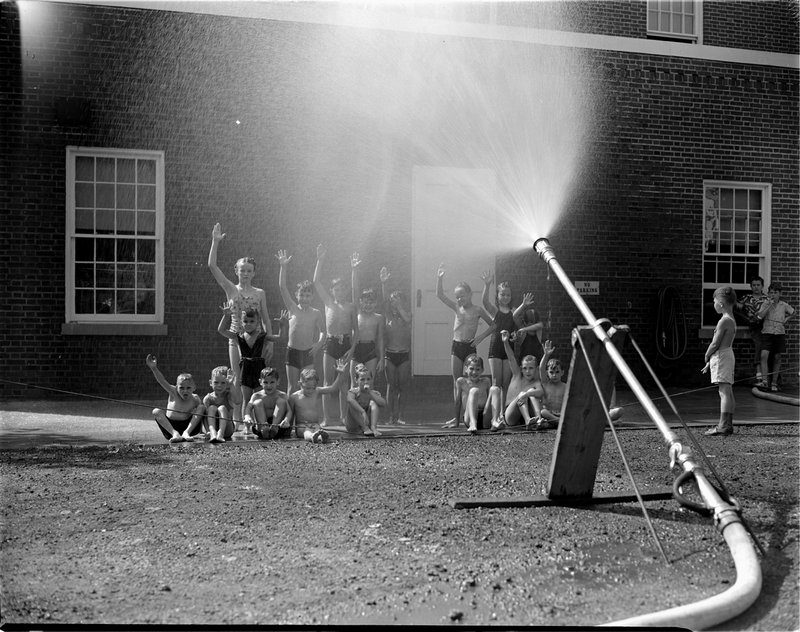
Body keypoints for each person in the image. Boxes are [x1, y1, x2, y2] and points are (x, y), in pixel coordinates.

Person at [208, 223, 273, 427]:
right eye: (242, 270)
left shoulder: (260, 293)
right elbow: (212, 266)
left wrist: (270, 342)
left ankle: (255, 418)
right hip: (236, 339)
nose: (245, 273)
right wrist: (215, 242)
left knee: (258, 379)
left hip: (258, 341)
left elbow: (266, 318)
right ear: (236, 271)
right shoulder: (230, 289)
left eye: (249, 270)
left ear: (254, 273)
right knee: (236, 378)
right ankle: (237, 420)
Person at [436, 263, 493, 428]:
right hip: (457, 346)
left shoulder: (478, 310)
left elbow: (494, 325)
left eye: (462, 295)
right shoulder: (456, 307)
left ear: (470, 294)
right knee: (457, 382)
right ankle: (456, 418)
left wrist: (480, 337)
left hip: (470, 347)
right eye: (457, 296)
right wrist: (440, 278)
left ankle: (470, 414)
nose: (460, 299)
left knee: (470, 381)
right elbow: (440, 295)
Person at [217, 305, 286, 434]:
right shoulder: (238, 336)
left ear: (257, 322)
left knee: (260, 397)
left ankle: (262, 422)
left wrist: (283, 325)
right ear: (241, 323)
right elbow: (221, 330)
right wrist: (226, 316)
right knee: (247, 399)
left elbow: (280, 338)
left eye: (252, 321)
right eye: (245, 321)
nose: (248, 324)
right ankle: (247, 426)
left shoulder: (262, 336)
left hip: (259, 368)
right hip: (246, 368)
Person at [313, 245, 359, 424]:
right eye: (336, 289)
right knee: (327, 381)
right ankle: (326, 417)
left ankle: (343, 417)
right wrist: (320, 260)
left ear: (346, 291)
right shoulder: (328, 303)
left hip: (346, 344)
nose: (339, 292)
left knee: (344, 383)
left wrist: (352, 349)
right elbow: (316, 282)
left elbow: (356, 330)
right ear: (332, 291)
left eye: (342, 289)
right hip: (330, 344)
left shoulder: (351, 306)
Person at [276, 249, 326, 396]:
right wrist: (283, 267)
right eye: (302, 295)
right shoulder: (292, 308)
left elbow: (323, 331)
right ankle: (289, 418)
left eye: (308, 295)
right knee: (292, 387)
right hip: (292, 352)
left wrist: (318, 344)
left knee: (307, 386)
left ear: (312, 297)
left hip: (308, 353)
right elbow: (282, 287)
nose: (304, 298)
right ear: (297, 296)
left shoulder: (316, 313)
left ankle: (304, 416)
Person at [480, 272, 521, 412]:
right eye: (502, 294)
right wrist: (487, 285)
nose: (505, 297)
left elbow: (516, 329)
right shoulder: (495, 310)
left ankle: (502, 413)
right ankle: (493, 413)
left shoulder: (514, 311)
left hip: (508, 349)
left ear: (511, 296)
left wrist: (515, 336)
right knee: (496, 383)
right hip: (496, 348)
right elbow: (485, 302)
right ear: (497, 295)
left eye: (508, 295)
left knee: (505, 383)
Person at [702, 286, 738, 436]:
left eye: (715, 301)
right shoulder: (731, 319)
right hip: (727, 354)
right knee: (728, 391)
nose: (714, 304)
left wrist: (707, 354)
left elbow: (715, 343)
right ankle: (728, 424)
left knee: (723, 392)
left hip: (722, 356)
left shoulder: (723, 321)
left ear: (721, 303)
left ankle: (723, 426)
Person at [146, 355, 205, 443]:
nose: (185, 391)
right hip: (171, 427)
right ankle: (175, 434)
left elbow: (200, 416)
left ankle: (186, 433)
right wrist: (154, 368)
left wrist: (203, 432)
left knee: (201, 407)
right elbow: (162, 381)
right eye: (181, 388)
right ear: (176, 388)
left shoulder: (195, 398)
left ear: (194, 388)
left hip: (188, 427)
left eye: (188, 388)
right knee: (156, 411)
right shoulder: (173, 392)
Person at [380, 266, 412, 425]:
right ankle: (390, 416)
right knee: (391, 386)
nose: (393, 302)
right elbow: (385, 299)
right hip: (390, 354)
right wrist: (384, 283)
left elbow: (406, 319)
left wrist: (399, 306)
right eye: (392, 301)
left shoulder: (407, 314)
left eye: (397, 300)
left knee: (402, 387)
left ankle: (401, 416)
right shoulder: (387, 315)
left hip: (404, 354)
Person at [289, 360, 348, 444]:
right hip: (301, 426)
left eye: (313, 388)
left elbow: (332, 388)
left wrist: (340, 374)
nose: (310, 391)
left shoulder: (317, 391)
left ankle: (320, 437)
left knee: (318, 430)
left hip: (315, 424)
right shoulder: (294, 397)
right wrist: (288, 429)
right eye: (307, 388)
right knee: (306, 431)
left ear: (316, 385)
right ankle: (311, 437)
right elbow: (290, 414)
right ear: (300, 384)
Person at [495, 330, 543, 430]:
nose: (528, 371)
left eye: (531, 368)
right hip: (510, 414)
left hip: (524, 413)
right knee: (522, 394)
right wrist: (505, 342)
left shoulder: (536, 382)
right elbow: (511, 358)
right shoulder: (517, 375)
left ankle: (538, 420)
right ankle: (528, 421)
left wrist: (528, 394)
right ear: (521, 368)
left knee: (530, 392)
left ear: (536, 369)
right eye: (525, 368)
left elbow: (540, 392)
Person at [350, 253, 385, 384]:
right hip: (356, 349)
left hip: (370, 351)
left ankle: (369, 405)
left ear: (375, 303)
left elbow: (381, 338)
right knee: (354, 384)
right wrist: (354, 270)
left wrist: (381, 358)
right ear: (361, 302)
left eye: (371, 302)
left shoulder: (378, 318)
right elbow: (355, 290)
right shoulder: (358, 312)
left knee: (369, 384)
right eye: (365, 302)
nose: (368, 305)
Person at [756, 282, 794, 392]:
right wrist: (768, 305)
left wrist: (786, 320)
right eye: (771, 292)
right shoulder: (765, 303)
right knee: (764, 355)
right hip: (767, 333)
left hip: (779, 333)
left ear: (779, 294)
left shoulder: (784, 305)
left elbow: (793, 312)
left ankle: (774, 383)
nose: (772, 295)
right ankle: (764, 381)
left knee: (777, 357)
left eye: (775, 293)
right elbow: (759, 316)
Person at [454, 354, 501, 435]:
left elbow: (491, 401)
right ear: (466, 369)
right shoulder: (461, 382)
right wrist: (457, 422)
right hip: (469, 417)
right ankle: (473, 423)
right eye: (471, 369)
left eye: (477, 369)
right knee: (474, 390)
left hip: (485, 417)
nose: (474, 372)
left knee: (495, 389)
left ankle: (494, 420)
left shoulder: (486, 381)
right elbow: (458, 402)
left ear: (482, 370)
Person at [736, 276, 769, 384]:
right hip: (754, 326)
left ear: (762, 286)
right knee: (759, 345)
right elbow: (736, 307)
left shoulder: (766, 299)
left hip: (765, 326)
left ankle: (765, 376)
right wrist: (745, 314)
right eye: (754, 285)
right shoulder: (746, 298)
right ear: (751, 286)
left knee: (766, 349)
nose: (756, 287)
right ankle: (759, 374)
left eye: (758, 285)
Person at [243, 367, 292, 440]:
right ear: (260, 382)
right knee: (257, 402)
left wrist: (286, 420)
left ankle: (274, 428)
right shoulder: (256, 395)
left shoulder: (282, 395)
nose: (269, 385)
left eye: (272, 382)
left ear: (278, 381)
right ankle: (264, 428)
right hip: (261, 427)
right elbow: (248, 409)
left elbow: (289, 411)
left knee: (281, 401)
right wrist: (247, 417)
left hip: (279, 427)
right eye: (265, 382)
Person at [202, 365, 242, 443]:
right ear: (210, 383)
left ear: (226, 383)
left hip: (227, 430)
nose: (219, 385)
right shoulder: (207, 398)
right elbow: (204, 418)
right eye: (216, 382)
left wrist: (231, 384)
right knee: (211, 408)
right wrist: (207, 431)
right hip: (213, 429)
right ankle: (213, 433)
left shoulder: (228, 395)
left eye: (223, 383)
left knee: (222, 408)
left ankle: (220, 433)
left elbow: (238, 401)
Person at [346, 364, 385, 437]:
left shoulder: (374, 393)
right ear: (356, 380)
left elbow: (383, 403)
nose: (366, 382)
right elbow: (350, 400)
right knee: (353, 403)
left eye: (368, 379)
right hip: (353, 426)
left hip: (369, 425)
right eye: (362, 380)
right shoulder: (353, 391)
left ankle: (373, 427)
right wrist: (362, 411)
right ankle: (365, 428)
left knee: (374, 402)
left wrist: (370, 392)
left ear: (371, 380)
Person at [537, 340, 566, 430]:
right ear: (547, 373)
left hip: (561, 414)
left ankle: (556, 422)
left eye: (557, 372)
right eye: (551, 372)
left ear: (562, 372)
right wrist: (546, 355)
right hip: (549, 415)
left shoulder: (565, 386)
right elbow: (541, 368)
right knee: (543, 411)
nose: (554, 375)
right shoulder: (546, 383)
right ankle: (557, 422)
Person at [512, 292, 545, 367]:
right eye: (529, 323)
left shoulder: (537, 332)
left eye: (533, 323)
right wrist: (523, 305)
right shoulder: (523, 333)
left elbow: (540, 325)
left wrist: (524, 329)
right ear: (525, 323)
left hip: (536, 365)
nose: (532, 326)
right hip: (524, 366)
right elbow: (515, 316)